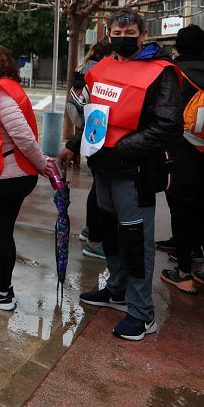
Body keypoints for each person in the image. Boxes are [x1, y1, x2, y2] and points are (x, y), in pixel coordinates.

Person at [58, 8, 182, 341]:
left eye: (130, 34)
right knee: (110, 233)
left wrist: (123, 148)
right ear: (109, 33)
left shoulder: (162, 73)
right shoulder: (103, 68)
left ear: (143, 35)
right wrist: (74, 142)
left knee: (135, 240)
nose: (123, 38)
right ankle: (116, 288)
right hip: (103, 168)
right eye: (117, 32)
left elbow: (168, 125)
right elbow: (93, 115)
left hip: (135, 173)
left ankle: (143, 314)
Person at [0, 42, 52, 311]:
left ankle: (2, 291)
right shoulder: (4, 88)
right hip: (13, 173)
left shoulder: (0, 92)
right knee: (2, 230)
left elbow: (23, 136)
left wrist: (43, 164)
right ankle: (0, 285)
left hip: (11, 174)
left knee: (1, 231)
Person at [158, 25, 204, 295]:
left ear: (177, 48)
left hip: (180, 155)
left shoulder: (172, 74)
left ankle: (184, 273)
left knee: (180, 212)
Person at [67, 39, 113, 260]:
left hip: (88, 131)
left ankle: (89, 231)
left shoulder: (84, 69)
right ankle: (95, 240)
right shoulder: (101, 72)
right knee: (99, 190)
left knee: (97, 187)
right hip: (97, 131)